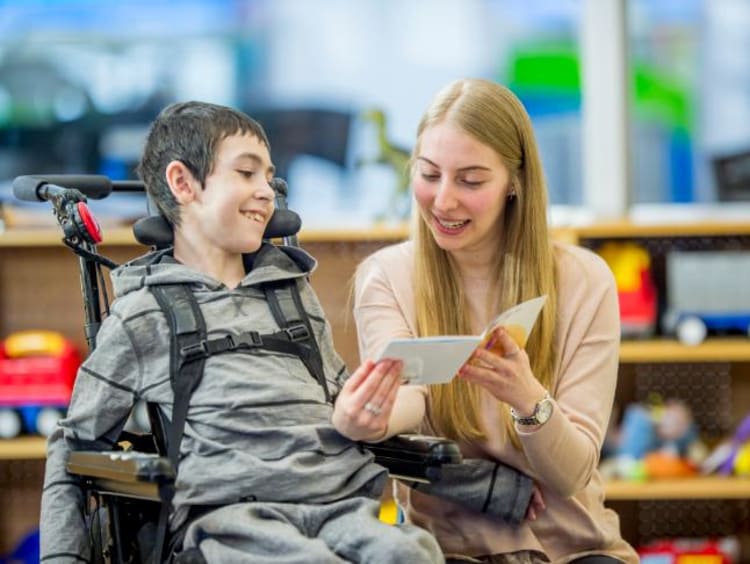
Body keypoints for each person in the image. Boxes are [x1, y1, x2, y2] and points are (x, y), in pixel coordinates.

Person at [39, 101, 444, 563]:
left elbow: (338, 407)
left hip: (339, 502)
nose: (266, 191)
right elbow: (73, 448)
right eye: (247, 173)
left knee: (412, 552)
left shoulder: (291, 297)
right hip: (233, 519)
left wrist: (495, 488)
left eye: (269, 177)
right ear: (183, 183)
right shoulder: (144, 314)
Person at [353, 79, 639, 564]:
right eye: (428, 174)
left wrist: (526, 396)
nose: (443, 201)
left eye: (470, 180)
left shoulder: (585, 280)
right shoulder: (386, 276)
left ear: (515, 182)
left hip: (574, 550)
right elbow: (408, 396)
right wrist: (371, 416)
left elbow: (572, 474)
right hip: (448, 552)